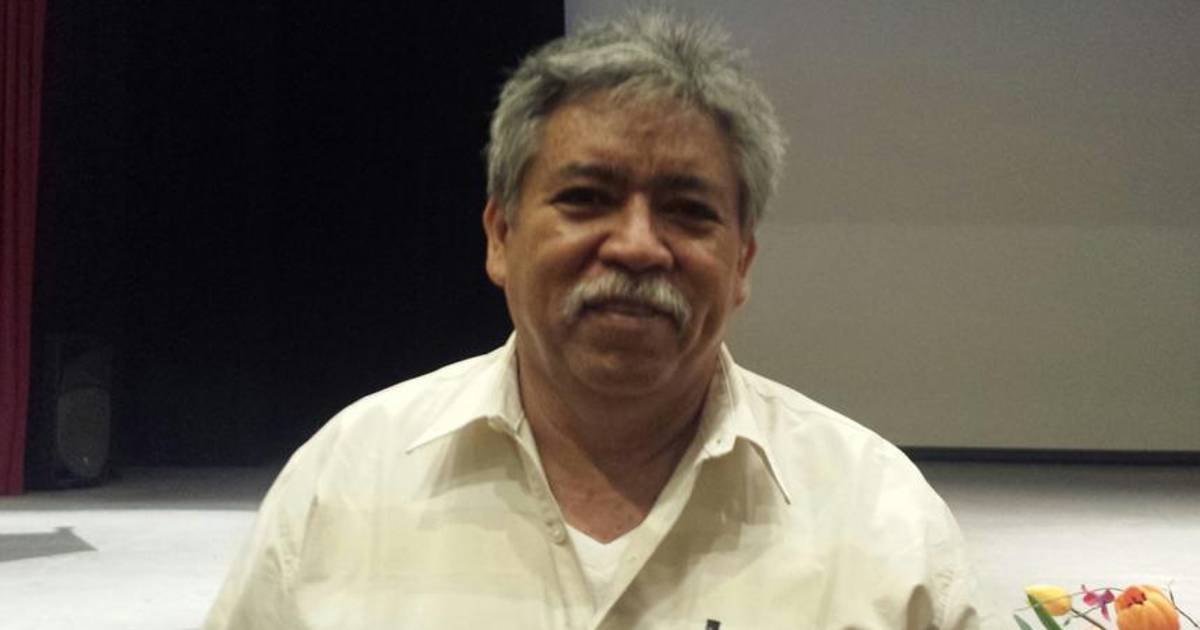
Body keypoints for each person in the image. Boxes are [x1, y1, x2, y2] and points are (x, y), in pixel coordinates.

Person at [205, 10, 981, 629]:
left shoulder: (882, 521)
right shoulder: (345, 482)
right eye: (586, 198)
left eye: (687, 210)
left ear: (741, 261)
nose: (637, 246)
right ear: (500, 236)